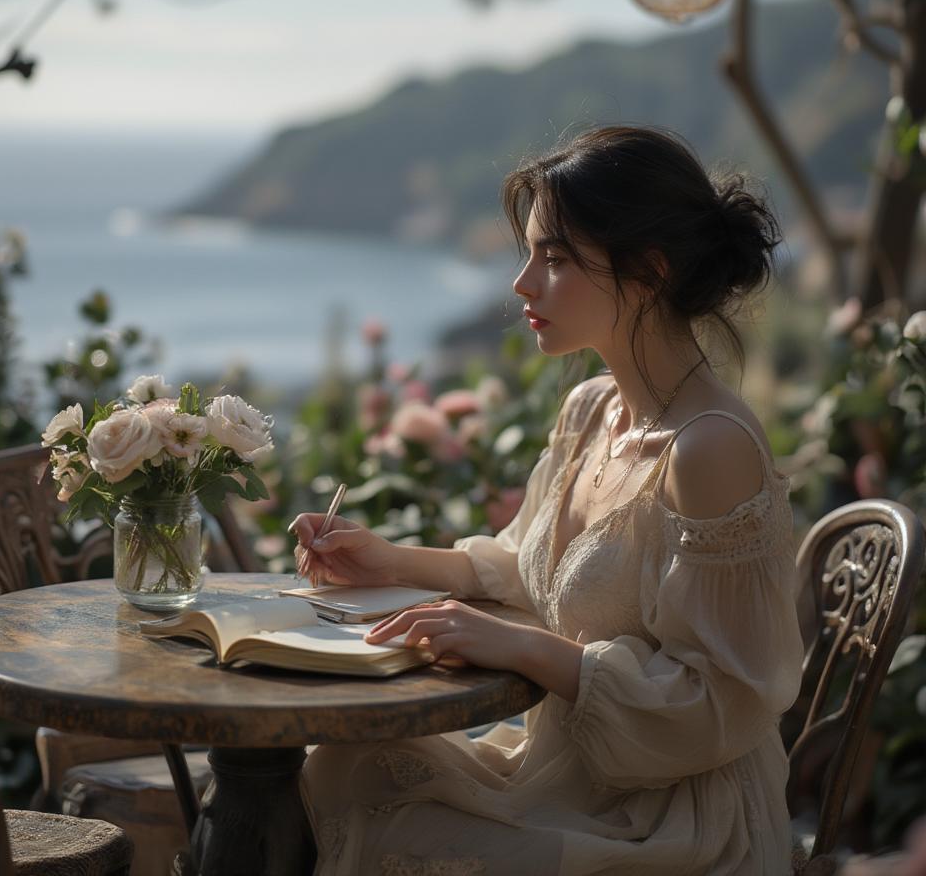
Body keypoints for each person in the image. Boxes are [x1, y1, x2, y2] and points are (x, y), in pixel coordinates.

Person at [289, 125, 805, 876]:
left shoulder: (709, 449)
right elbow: (521, 567)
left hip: (678, 813)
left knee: (406, 840)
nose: (522, 282)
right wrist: (385, 559)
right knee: (336, 767)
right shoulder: (591, 409)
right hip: (567, 771)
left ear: (650, 271)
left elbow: (724, 705)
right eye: (530, 254)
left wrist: (529, 647)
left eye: (555, 259)